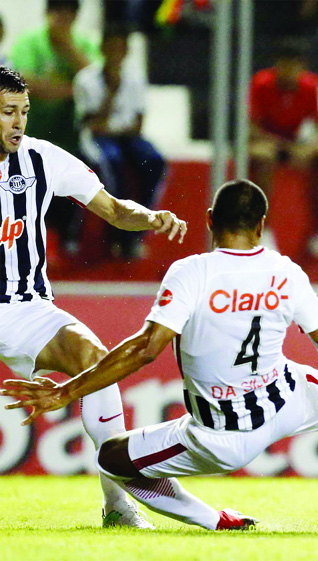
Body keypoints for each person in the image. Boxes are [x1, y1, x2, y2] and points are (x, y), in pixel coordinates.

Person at [1, 180, 318, 533]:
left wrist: (67, 391)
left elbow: (145, 350)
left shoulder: (191, 272)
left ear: (208, 219)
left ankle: (214, 520)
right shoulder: (285, 270)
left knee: (111, 459)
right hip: (287, 401)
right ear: (262, 225)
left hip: (222, 433)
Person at [0, 66, 187, 528]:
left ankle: (119, 506)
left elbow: (114, 210)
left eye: (23, 112)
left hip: (24, 306)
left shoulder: (43, 159)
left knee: (98, 363)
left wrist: (150, 217)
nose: (18, 122)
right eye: (7, 112)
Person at [10, 0, 101, 255]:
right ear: (47, 14)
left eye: (68, 12)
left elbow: (97, 82)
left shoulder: (84, 44)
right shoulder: (29, 43)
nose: (62, 18)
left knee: (81, 179)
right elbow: (25, 84)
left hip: (75, 137)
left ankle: (71, 236)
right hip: (30, 135)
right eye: (57, 11)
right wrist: (73, 90)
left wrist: (68, 48)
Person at [248, 39, 318, 264]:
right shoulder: (261, 83)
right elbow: (252, 127)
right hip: (267, 139)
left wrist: (310, 147)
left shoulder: (310, 85)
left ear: (302, 67)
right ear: (277, 65)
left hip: (294, 142)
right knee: (263, 157)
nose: (289, 71)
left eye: (294, 66)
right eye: (285, 65)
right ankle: (264, 230)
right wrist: (286, 147)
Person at [74, 24, 166, 260]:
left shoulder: (135, 78)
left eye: (120, 48)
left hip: (126, 136)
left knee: (154, 161)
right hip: (97, 139)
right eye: (111, 47)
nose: (116, 53)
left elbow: (137, 123)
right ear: (102, 49)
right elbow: (91, 124)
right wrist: (112, 91)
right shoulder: (86, 80)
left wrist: (117, 128)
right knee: (112, 164)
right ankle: (118, 232)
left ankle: (139, 227)